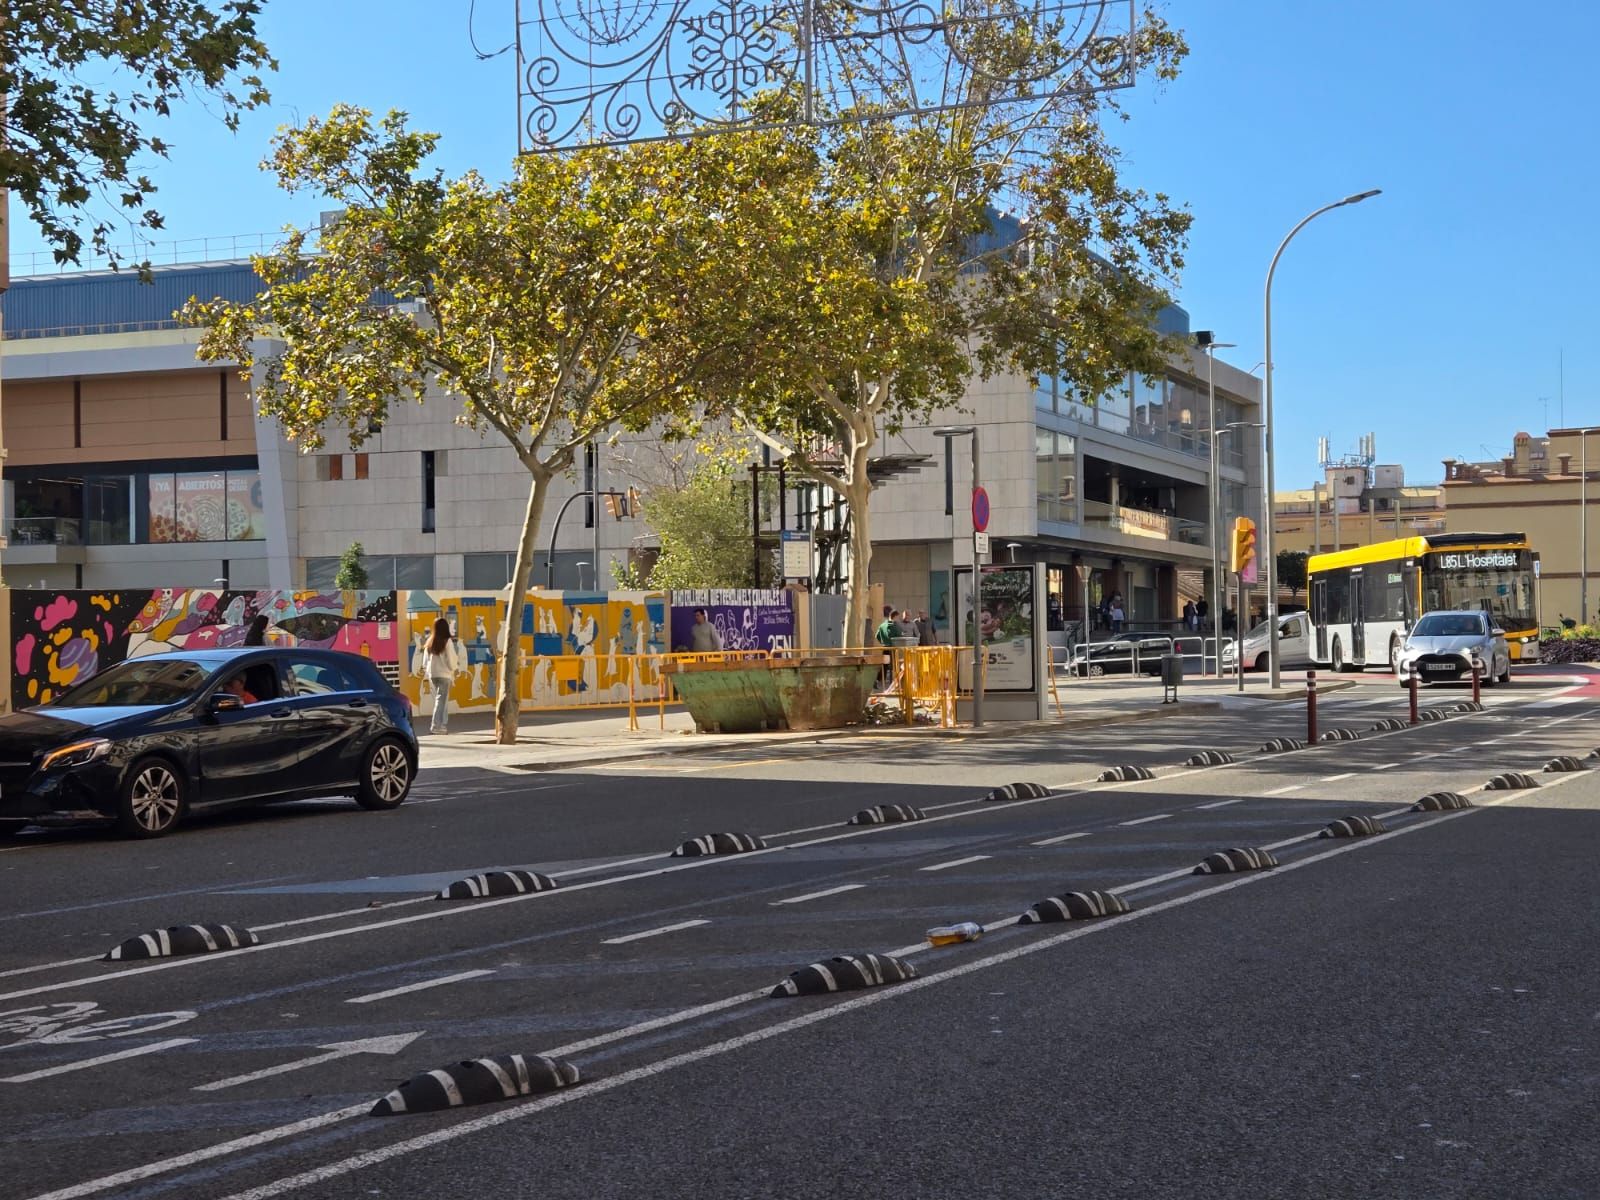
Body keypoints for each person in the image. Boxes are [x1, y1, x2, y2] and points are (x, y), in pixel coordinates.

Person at [425, 617, 461, 734]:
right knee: (441, 700)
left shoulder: (430, 640)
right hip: (444, 674)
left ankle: (442, 725)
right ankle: (437, 726)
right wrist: (454, 668)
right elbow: (450, 659)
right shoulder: (447, 641)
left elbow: (425, 660)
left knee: (440, 700)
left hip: (433, 674)